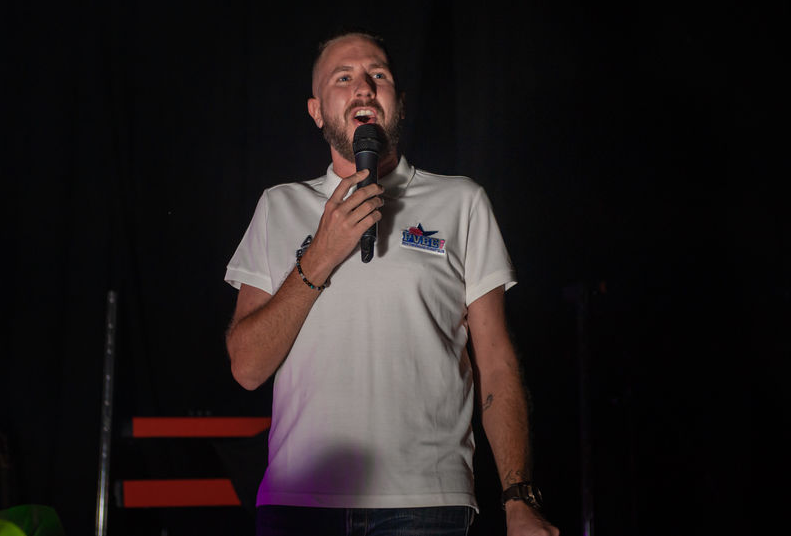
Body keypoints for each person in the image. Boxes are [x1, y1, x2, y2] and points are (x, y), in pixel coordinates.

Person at [224, 31, 558, 536]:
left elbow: (495, 363)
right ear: (317, 111)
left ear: (398, 101)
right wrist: (321, 254)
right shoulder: (279, 206)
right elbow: (247, 367)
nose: (363, 87)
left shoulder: (461, 202)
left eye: (376, 75)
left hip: (427, 501)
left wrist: (518, 497)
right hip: (301, 502)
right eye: (343, 78)